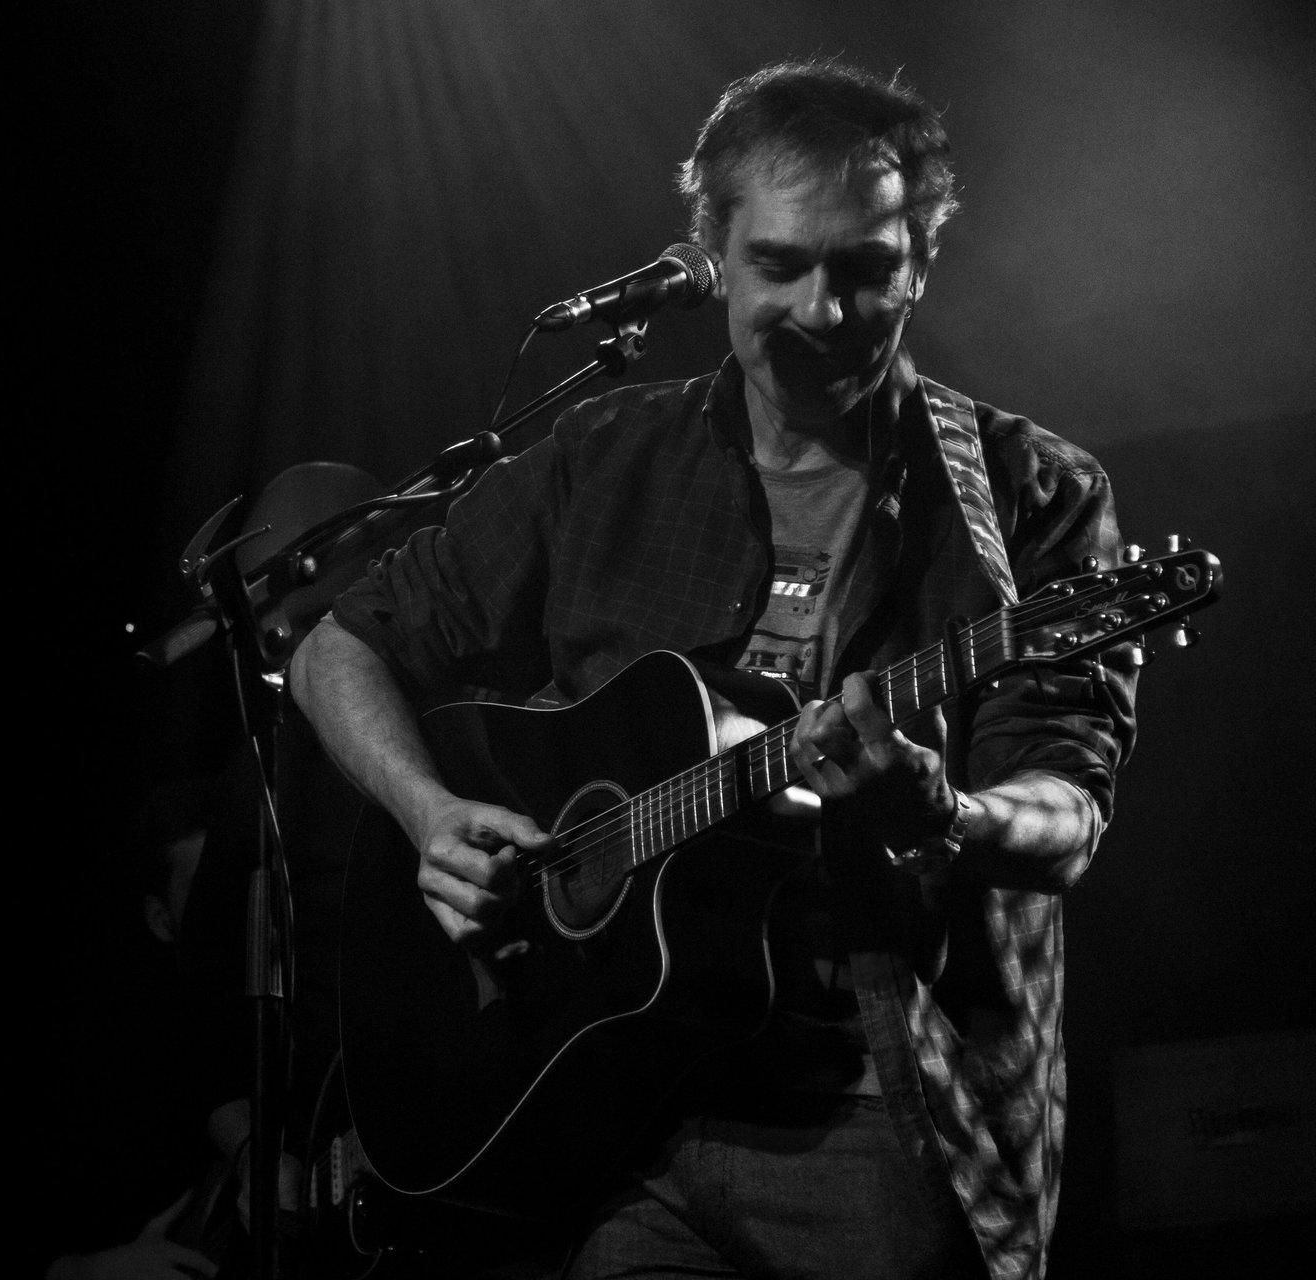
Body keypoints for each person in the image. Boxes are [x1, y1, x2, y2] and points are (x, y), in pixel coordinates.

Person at [288, 59, 1136, 1280]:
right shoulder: (605, 453)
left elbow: (1069, 813)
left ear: (922, 262)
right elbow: (339, 643)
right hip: (616, 1108)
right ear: (712, 258)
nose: (822, 311)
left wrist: (942, 808)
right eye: (780, 265)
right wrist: (430, 816)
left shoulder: (1032, 493)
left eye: (865, 269)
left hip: (871, 1103)